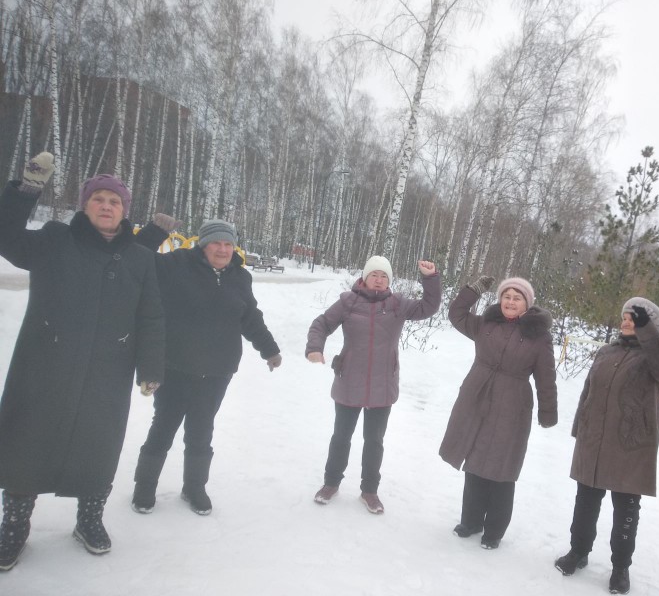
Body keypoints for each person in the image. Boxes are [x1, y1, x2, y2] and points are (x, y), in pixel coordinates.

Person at [0, 154, 165, 570]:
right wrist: (26, 191)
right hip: (44, 365)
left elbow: (151, 315)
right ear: (85, 205)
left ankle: (89, 520)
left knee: (99, 444)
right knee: (27, 442)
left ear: (125, 211)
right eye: (99, 199)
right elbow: (7, 238)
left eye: (115, 200)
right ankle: (15, 525)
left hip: (108, 369)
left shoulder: (140, 258)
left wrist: (151, 368)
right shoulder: (55, 239)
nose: (106, 205)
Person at [131, 218, 282, 516]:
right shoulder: (175, 265)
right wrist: (155, 231)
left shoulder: (240, 277)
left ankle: (194, 487)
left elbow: (250, 317)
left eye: (228, 244)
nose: (223, 249)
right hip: (175, 366)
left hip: (217, 371)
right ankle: (144, 486)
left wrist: (268, 348)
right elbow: (136, 257)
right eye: (216, 243)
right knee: (163, 427)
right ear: (203, 244)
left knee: (201, 431)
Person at [555, 297, 659, 594]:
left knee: (626, 509)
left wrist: (647, 332)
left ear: (652, 325)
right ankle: (578, 551)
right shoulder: (606, 351)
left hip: (630, 445)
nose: (627, 321)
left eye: (635, 318)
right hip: (594, 440)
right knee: (585, 500)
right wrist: (580, 429)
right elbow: (588, 392)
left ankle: (621, 567)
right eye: (625, 316)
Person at [306, 255, 441, 514]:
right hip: (349, 382)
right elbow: (321, 324)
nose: (378, 280)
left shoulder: (398, 304)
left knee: (374, 440)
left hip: (383, 385)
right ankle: (330, 483)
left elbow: (429, 307)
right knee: (341, 437)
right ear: (365, 277)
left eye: (384, 276)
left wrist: (430, 278)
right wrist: (315, 347)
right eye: (374, 275)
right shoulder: (348, 301)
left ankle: (369, 491)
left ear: (389, 281)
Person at [439, 276, 557, 549]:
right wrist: (474, 290)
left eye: (517, 298)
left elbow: (546, 378)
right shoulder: (486, 324)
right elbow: (456, 314)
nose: (510, 301)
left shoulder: (539, 337)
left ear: (527, 304)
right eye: (507, 296)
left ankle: (493, 530)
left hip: (512, 405)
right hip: (477, 397)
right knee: (475, 461)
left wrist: (548, 411)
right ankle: (470, 521)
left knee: (502, 468)